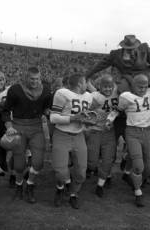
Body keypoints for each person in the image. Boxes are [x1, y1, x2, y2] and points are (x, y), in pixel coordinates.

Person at [3, 67, 51, 204]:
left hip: (36, 127)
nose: (34, 81)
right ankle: (19, 185)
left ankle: (30, 184)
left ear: (40, 78)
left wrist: (48, 112)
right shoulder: (15, 89)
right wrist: (9, 126)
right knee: (19, 164)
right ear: (26, 77)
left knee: (38, 161)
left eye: (37, 79)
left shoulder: (46, 90)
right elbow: (6, 111)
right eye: (32, 78)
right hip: (18, 126)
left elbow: (46, 108)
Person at [109, 74, 150, 207]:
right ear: (133, 85)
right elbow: (117, 110)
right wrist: (109, 120)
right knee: (138, 166)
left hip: (148, 131)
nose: (142, 89)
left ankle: (130, 174)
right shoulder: (126, 96)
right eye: (139, 86)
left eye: (145, 86)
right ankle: (137, 192)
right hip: (132, 132)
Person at [50, 73, 94, 209]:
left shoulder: (88, 96)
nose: (88, 86)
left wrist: (88, 122)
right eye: (86, 82)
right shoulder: (62, 93)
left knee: (81, 172)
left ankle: (73, 194)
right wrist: (73, 118)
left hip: (78, 135)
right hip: (61, 134)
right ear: (80, 83)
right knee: (60, 172)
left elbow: (83, 117)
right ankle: (60, 187)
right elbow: (53, 118)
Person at [85, 35, 150, 93]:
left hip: (145, 76)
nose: (131, 51)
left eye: (133, 48)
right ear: (124, 47)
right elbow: (101, 64)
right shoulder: (115, 55)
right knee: (124, 95)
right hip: (127, 78)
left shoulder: (144, 48)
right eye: (129, 49)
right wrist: (87, 75)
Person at [87, 74, 118, 197]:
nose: (108, 89)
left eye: (110, 87)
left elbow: (117, 109)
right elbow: (87, 112)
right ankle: (92, 170)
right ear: (99, 86)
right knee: (92, 161)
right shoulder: (94, 96)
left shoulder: (117, 93)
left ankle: (100, 184)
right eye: (105, 87)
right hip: (95, 131)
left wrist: (110, 120)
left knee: (107, 160)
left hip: (109, 132)